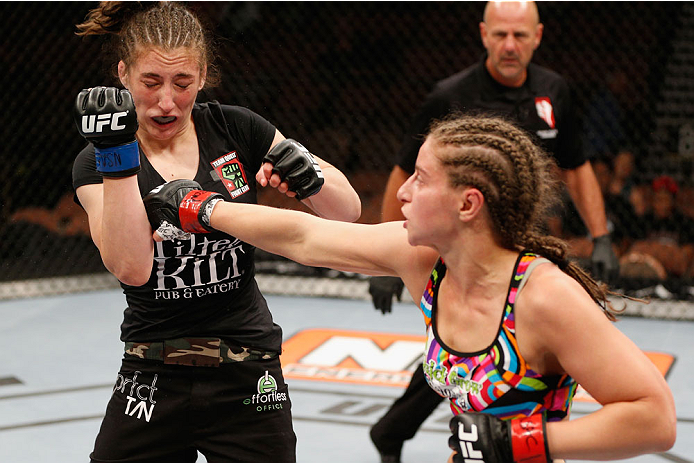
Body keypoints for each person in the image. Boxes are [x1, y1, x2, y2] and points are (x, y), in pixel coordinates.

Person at [145, 114, 676, 463]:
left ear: (468, 205)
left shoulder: (543, 297)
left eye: (421, 179)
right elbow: (307, 236)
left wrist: (527, 442)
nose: (401, 191)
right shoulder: (425, 260)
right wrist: (208, 210)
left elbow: (655, 417)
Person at [71, 2, 361, 462]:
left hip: (247, 366)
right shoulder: (97, 163)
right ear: (123, 75)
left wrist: (307, 174)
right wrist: (116, 153)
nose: (167, 101)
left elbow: (345, 213)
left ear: (203, 75)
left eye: (182, 83)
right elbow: (131, 267)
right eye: (151, 82)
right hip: (152, 370)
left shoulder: (236, 127)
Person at [367, 3, 620, 460]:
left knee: (486, 360)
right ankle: (396, 433)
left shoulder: (554, 91)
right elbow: (407, 173)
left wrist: (601, 234)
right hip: (465, 254)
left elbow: (578, 167)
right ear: (483, 34)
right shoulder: (451, 95)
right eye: (500, 34)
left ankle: (398, 432)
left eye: (520, 36)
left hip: (527, 257)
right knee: (469, 355)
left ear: (538, 36)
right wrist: (391, 256)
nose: (509, 46)